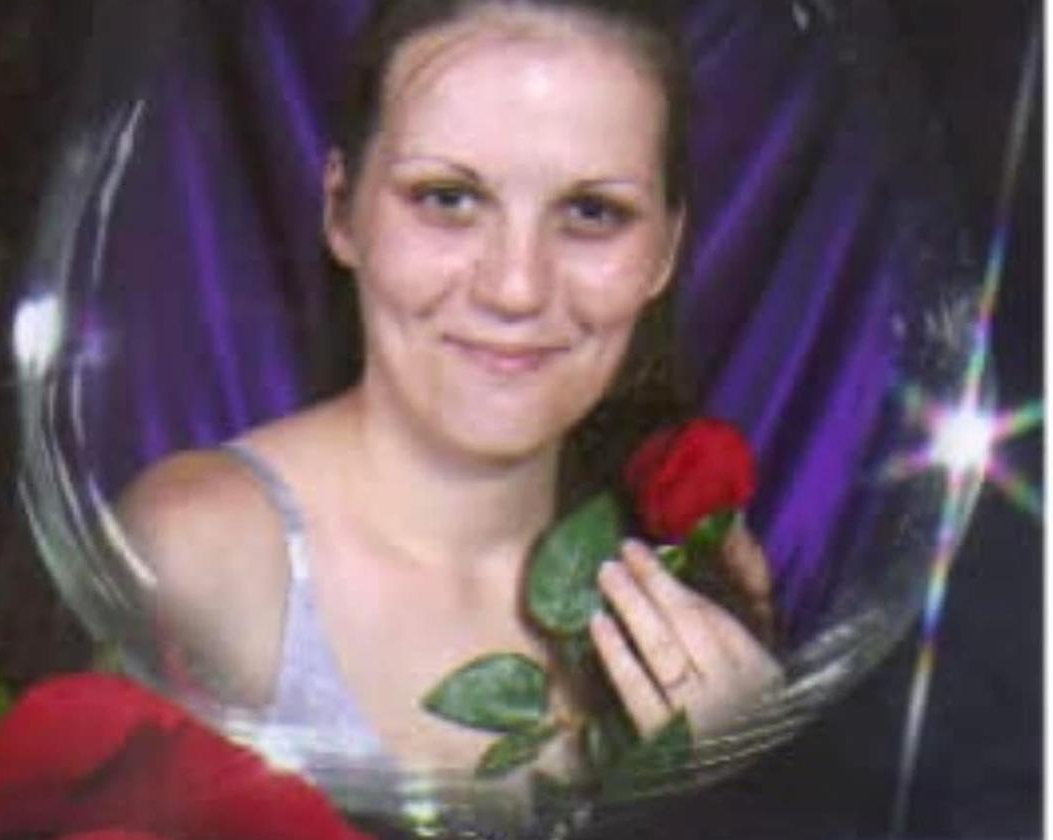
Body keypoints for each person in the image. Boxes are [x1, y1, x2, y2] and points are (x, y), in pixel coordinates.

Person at [119, 0, 781, 778]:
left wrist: (747, 781)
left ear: (665, 251)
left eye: (591, 211)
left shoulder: (691, 592)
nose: (515, 287)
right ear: (342, 211)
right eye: (447, 199)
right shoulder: (198, 554)